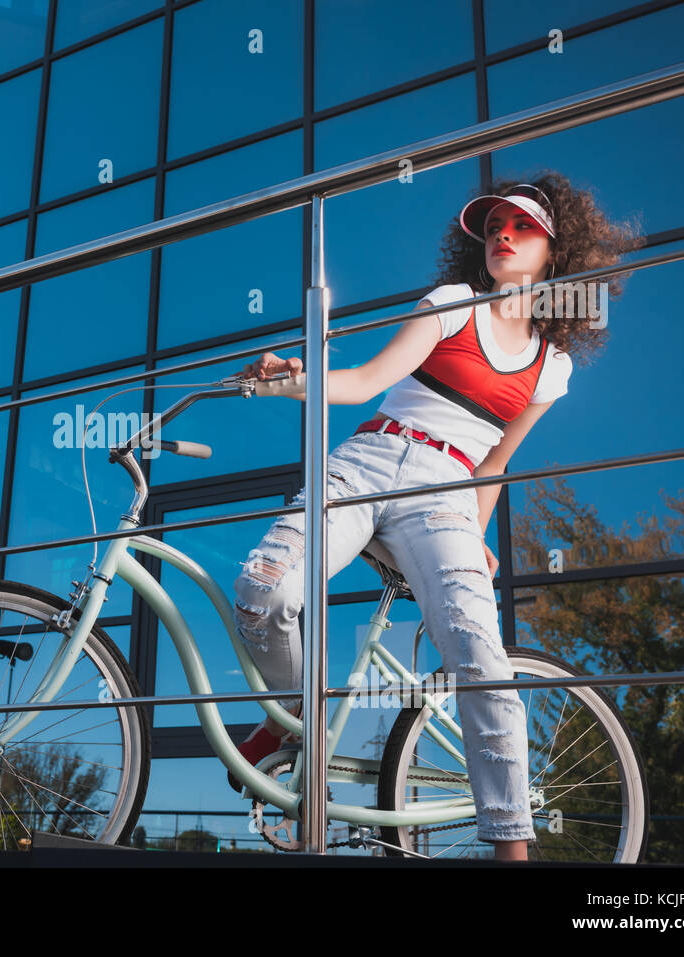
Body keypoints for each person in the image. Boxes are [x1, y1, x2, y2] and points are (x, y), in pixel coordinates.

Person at [229, 171, 641, 861]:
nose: (502, 234)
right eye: (492, 227)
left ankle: (512, 849)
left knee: (481, 656)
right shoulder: (453, 304)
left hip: (447, 493)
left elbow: (495, 463)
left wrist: (475, 533)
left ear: (555, 254)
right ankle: (295, 713)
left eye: (522, 225)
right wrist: (295, 377)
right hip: (367, 460)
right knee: (262, 587)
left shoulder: (551, 368)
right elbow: (363, 381)